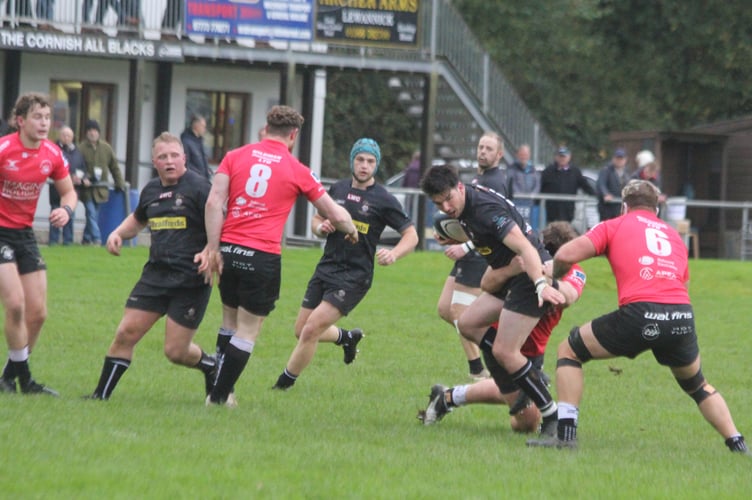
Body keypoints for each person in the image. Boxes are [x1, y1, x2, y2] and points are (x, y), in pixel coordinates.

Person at [527, 180, 749, 453]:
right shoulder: (674, 237)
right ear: (657, 209)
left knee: (569, 350)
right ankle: (737, 444)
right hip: (681, 315)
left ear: (624, 205)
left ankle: (566, 436)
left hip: (641, 314)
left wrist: (557, 275)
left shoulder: (615, 224)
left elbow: (566, 253)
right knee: (697, 384)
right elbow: (684, 286)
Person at [200, 105, 359, 407]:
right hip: (261, 256)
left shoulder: (235, 156)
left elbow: (213, 202)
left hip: (229, 251)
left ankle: (221, 390)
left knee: (229, 322)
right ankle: (219, 397)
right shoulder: (296, 169)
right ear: (293, 135)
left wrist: (212, 248)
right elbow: (333, 212)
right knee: (248, 330)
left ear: (266, 127)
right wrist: (350, 229)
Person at [421, 164, 566, 438]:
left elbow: (525, 246)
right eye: (439, 204)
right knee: (467, 323)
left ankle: (552, 416)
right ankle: (522, 374)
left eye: (449, 199)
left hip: (526, 274)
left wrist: (539, 285)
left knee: (504, 352)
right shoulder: (463, 208)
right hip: (507, 274)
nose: (447, 207)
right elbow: (480, 232)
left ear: (460, 187)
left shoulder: (485, 208)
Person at [272, 138, 419, 390]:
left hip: (354, 277)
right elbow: (317, 220)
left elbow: (412, 235)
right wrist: (322, 228)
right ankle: (347, 337)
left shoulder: (383, 199)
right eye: (360, 159)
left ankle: (282, 386)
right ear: (352, 160)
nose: (364, 166)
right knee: (300, 330)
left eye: (370, 161)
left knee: (310, 331)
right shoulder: (337, 190)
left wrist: (394, 254)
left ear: (376, 165)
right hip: (326, 267)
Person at [420, 222, 586, 433]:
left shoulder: (575, 271)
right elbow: (486, 284)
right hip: (499, 341)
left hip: (533, 352)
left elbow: (569, 296)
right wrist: (511, 270)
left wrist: (540, 277)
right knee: (527, 421)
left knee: (521, 415)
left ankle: (446, 398)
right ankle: (449, 398)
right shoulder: (517, 255)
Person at [86, 132, 216, 400]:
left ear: (184, 158)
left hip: (191, 279)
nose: (169, 161)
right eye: (162, 157)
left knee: (176, 352)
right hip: (155, 275)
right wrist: (118, 233)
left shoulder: (201, 188)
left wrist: (209, 251)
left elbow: (222, 225)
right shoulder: (152, 190)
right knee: (125, 332)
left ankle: (212, 366)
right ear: (154, 162)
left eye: (174, 156)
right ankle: (99, 397)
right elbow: (138, 219)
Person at [0, 92, 77, 395]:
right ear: (20, 121)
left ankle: (8, 376)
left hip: (24, 234)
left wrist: (66, 210)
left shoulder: (53, 154)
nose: (45, 123)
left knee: (38, 313)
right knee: (15, 304)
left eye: (48, 117)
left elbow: (69, 192)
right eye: (37, 117)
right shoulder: (4, 150)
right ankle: (27, 381)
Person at [436, 131, 511, 381]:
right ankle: (498, 346)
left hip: (480, 254)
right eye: (480, 147)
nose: (483, 152)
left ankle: (480, 369)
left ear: (499, 155)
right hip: (469, 252)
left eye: (489, 149)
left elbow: (492, 227)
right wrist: (450, 234)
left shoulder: (496, 182)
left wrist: (466, 247)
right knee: (445, 309)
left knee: (460, 313)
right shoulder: (478, 178)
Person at [78, 119, 126, 245]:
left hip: (101, 190)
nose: (92, 133)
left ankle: (86, 239)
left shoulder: (106, 148)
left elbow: (114, 167)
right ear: (86, 133)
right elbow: (76, 167)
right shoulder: (81, 148)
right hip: (87, 190)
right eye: (89, 131)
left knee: (93, 215)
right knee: (91, 214)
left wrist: (119, 183)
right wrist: (83, 178)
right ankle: (97, 239)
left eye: (94, 131)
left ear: (98, 132)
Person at [540, 146, 596, 223]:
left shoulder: (575, 171)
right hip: (551, 213)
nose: (562, 158)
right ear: (556, 157)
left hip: (568, 212)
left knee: (565, 233)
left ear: (569, 157)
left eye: (564, 156)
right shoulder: (548, 171)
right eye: (560, 156)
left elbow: (585, 186)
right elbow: (540, 187)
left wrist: (597, 195)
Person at [49, 126, 85, 246]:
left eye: (69, 135)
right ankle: (53, 241)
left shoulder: (77, 153)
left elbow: (82, 168)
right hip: (55, 191)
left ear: (72, 137)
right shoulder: (53, 150)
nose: (66, 138)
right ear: (60, 136)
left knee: (69, 216)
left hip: (70, 191)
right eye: (64, 135)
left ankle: (67, 241)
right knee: (54, 216)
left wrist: (80, 177)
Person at [508, 143, 541, 227]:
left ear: (529, 155)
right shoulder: (511, 169)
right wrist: (520, 196)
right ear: (517, 155)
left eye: (525, 154)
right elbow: (511, 185)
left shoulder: (533, 170)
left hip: (530, 205)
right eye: (521, 154)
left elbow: (537, 185)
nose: (523, 157)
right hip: (516, 204)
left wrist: (532, 196)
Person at [596, 147, 628, 221]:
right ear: (613, 158)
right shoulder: (606, 170)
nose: (619, 161)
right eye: (617, 158)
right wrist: (606, 194)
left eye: (621, 158)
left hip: (619, 208)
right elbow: (601, 184)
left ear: (625, 160)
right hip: (607, 208)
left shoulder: (626, 172)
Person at [181, 115, 212, 181]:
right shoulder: (186, 141)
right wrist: (199, 174)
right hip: (193, 181)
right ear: (196, 126)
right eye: (203, 126)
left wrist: (207, 170)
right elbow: (186, 163)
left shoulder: (199, 141)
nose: (204, 129)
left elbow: (202, 161)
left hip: (202, 180)